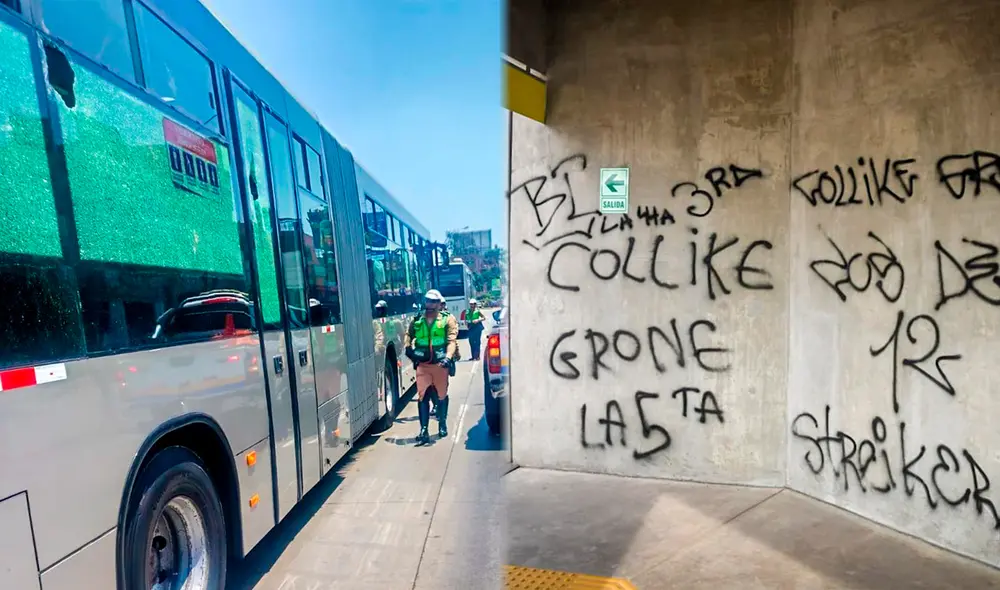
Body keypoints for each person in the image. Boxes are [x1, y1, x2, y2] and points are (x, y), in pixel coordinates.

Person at [404, 289, 459, 444]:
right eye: (428, 301)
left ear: (439, 304)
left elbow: (452, 341)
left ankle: (442, 423)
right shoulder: (417, 320)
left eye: (433, 302)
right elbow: (409, 334)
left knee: (441, 396)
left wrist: (448, 357)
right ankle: (424, 430)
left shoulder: (447, 320)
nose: (430, 304)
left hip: (440, 364)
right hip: (422, 365)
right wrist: (408, 348)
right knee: (423, 397)